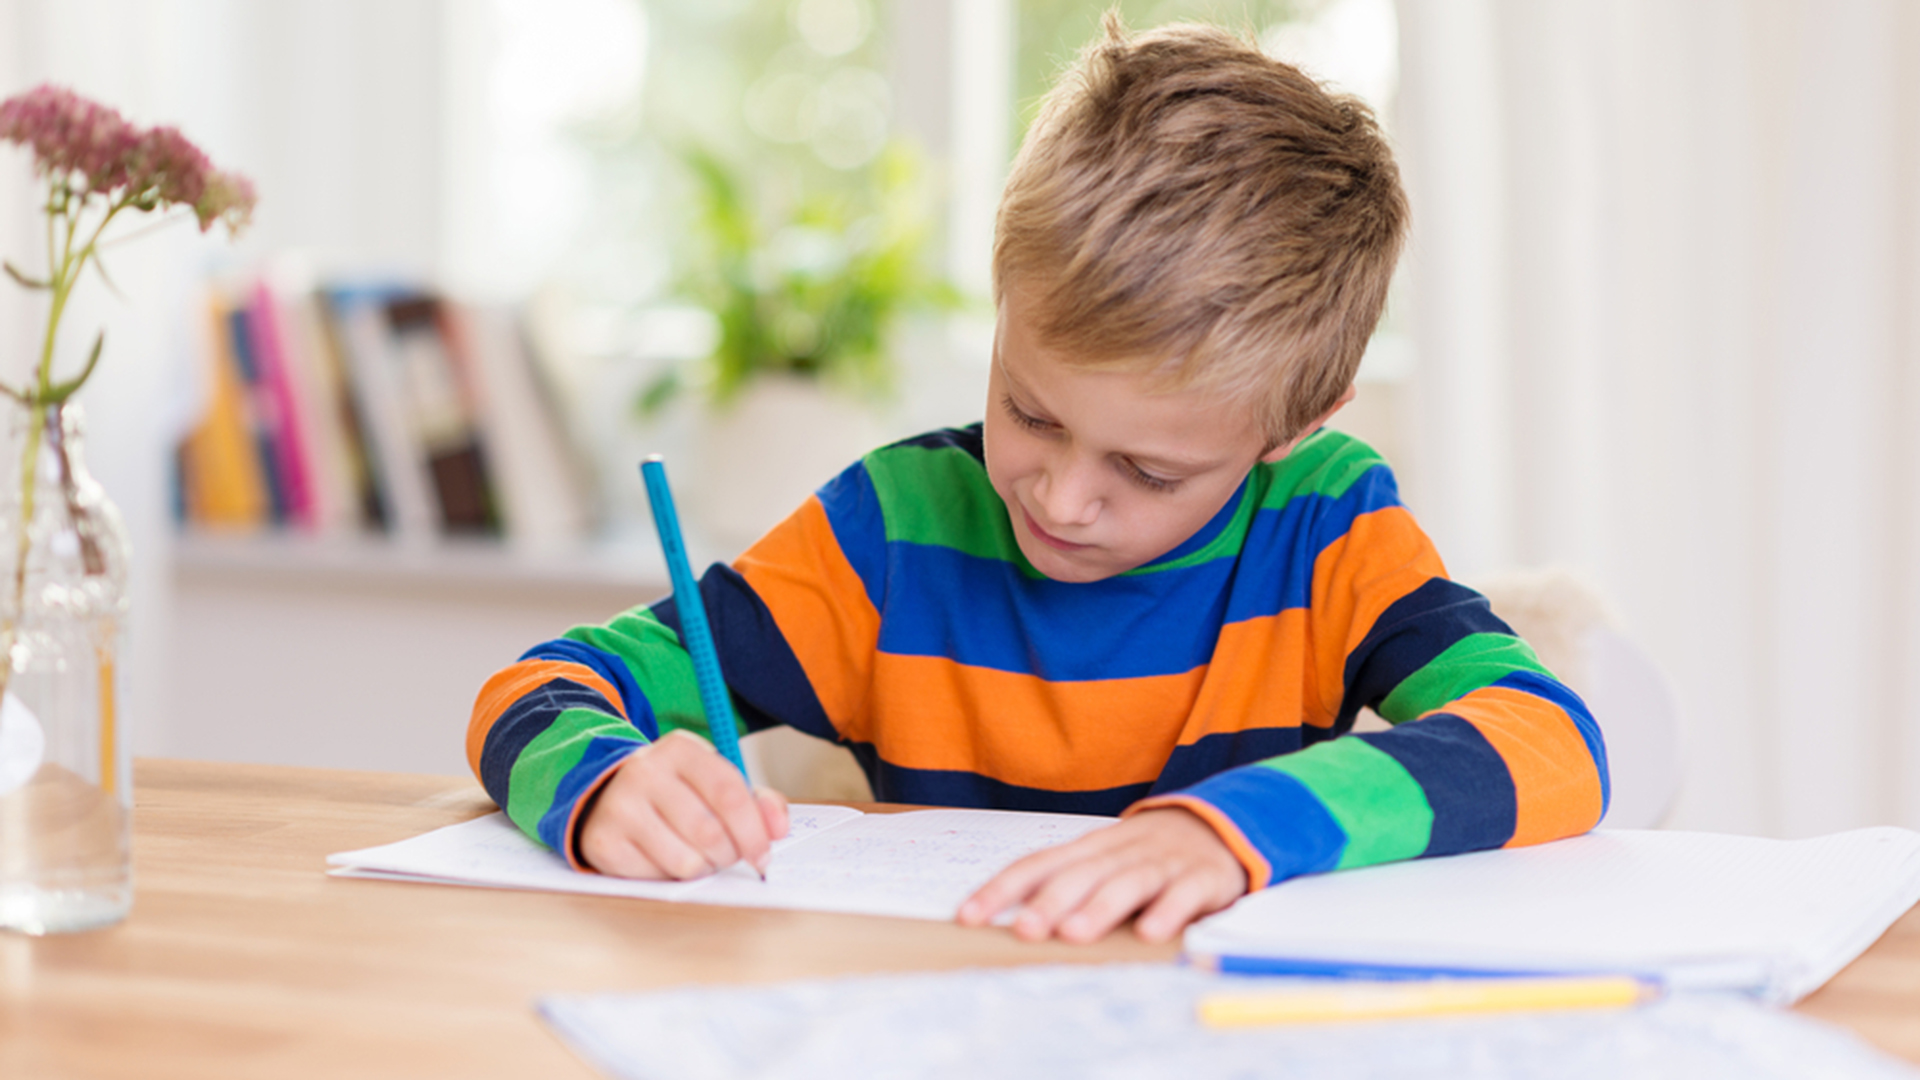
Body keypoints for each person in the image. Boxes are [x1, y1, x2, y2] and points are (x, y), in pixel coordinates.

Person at [466, 17, 1608, 945]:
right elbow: (538, 688)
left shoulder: (1324, 524)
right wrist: (607, 786)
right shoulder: (896, 530)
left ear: (1294, 429)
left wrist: (1227, 831)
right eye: (1030, 411)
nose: (1060, 499)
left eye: (1148, 469)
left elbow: (1551, 740)